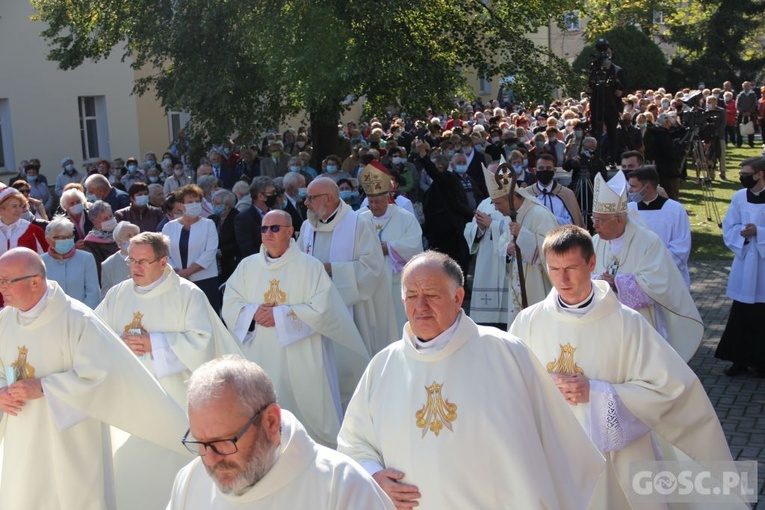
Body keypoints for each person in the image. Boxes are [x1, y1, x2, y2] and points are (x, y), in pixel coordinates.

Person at [337, 251, 604, 509]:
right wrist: (373, 476)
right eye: (411, 296)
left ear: (458, 297)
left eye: (430, 295)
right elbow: (353, 442)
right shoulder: (384, 366)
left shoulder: (505, 352)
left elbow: (558, 443)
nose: (420, 306)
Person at [510, 225, 741, 510]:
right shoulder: (528, 321)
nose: (563, 279)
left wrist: (597, 392)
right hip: (553, 447)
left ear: (592, 263)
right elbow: (512, 383)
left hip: (614, 454)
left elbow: (670, 387)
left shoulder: (626, 323)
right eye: (554, 269)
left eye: (571, 267)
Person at [0, 247, 190, 510]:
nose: (2, 288)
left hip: (69, 437)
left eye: (6, 281)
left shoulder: (77, 319)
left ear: (35, 281)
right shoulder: (6, 320)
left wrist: (44, 387)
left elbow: (99, 376)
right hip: (23, 429)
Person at [167, 356, 395, 509]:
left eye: (223, 442)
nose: (211, 459)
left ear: (271, 422)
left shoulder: (340, 485)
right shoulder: (190, 482)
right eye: (200, 443)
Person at [222, 210, 369, 446]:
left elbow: (324, 309)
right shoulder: (247, 266)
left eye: (275, 228)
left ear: (290, 232)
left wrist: (279, 315)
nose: (268, 233)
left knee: (308, 414)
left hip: (302, 352)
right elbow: (230, 303)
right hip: (261, 351)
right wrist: (253, 312)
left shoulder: (310, 267)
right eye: (264, 229)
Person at [590, 171, 703, 362]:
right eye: (594, 219)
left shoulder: (648, 242)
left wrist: (618, 283)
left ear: (618, 219)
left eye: (600, 220)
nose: (594, 225)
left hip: (641, 323)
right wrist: (598, 281)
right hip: (605, 322)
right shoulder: (595, 242)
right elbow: (587, 275)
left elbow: (658, 283)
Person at [298, 177, 397, 356]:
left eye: (311, 198)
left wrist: (331, 269)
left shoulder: (358, 224)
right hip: (316, 307)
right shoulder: (307, 227)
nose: (306, 203)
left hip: (353, 309)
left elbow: (372, 268)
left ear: (327, 198)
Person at [483, 162, 558, 328]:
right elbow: (503, 246)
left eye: (498, 204)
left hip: (537, 284)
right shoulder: (513, 215)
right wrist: (508, 250)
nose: (496, 209)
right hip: (517, 285)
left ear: (511, 198)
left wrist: (524, 236)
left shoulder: (539, 214)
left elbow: (554, 250)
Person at [358, 162, 423, 332]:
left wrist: (389, 248)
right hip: (368, 281)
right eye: (370, 202)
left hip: (395, 281)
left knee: (396, 323)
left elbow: (415, 245)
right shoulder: (359, 219)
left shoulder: (405, 218)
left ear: (387, 197)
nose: (373, 206)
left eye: (377, 202)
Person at [715, 156, 765, 376]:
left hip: (763, 266)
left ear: (760, 174)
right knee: (742, 312)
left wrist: (760, 232)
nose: (742, 177)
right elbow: (729, 225)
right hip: (745, 262)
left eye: (746, 173)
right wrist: (742, 234)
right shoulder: (739, 197)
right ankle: (739, 359)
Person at [626, 166, 692, 287]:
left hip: (668, 277)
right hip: (637, 276)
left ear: (648, 187)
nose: (629, 190)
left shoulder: (675, 209)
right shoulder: (628, 210)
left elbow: (681, 246)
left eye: (634, 186)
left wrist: (654, 266)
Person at [416, 140, 473, 275]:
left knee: (450, 265)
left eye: (433, 166)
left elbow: (433, 173)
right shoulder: (439, 183)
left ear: (440, 167)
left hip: (448, 232)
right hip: (438, 232)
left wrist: (423, 154)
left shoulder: (447, 179)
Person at [162, 184, 222, 311]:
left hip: (205, 280)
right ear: (179, 205)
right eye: (190, 202)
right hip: (177, 280)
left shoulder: (208, 224)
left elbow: (209, 253)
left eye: (197, 201)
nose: (194, 204)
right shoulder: (169, 227)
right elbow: (164, 253)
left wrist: (187, 272)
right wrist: (176, 271)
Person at [41, 217, 100, 309]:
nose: (66, 240)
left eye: (69, 237)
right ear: (49, 240)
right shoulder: (41, 262)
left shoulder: (86, 258)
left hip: (82, 315)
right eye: (61, 237)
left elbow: (93, 293)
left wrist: (83, 314)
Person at [528, 153, 585, 227]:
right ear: (535, 171)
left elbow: (573, 223)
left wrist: (548, 218)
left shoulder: (567, 194)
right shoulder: (527, 194)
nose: (545, 171)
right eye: (541, 168)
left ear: (554, 170)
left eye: (548, 168)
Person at [234, 176, 275, 259]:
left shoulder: (277, 214)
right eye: (272, 193)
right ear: (260, 196)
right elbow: (247, 249)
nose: (275, 196)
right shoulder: (243, 218)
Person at [82, 200, 120, 283]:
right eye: (105, 218)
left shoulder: (122, 231)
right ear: (95, 222)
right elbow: (98, 269)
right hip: (110, 281)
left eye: (111, 216)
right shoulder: (91, 242)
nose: (110, 219)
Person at [100, 220, 139, 299]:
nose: (134, 238)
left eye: (136, 235)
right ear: (119, 242)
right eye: (129, 236)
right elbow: (106, 295)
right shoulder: (108, 265)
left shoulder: (148, 257)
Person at [210, 188, 241, 282]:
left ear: (227, 205)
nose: (214, 206)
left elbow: (239, 242)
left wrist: (222, 251)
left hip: (232, 262)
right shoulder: (212, 219)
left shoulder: (238, 218)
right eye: (213, 203)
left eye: (217, 204)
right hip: (216, 265)